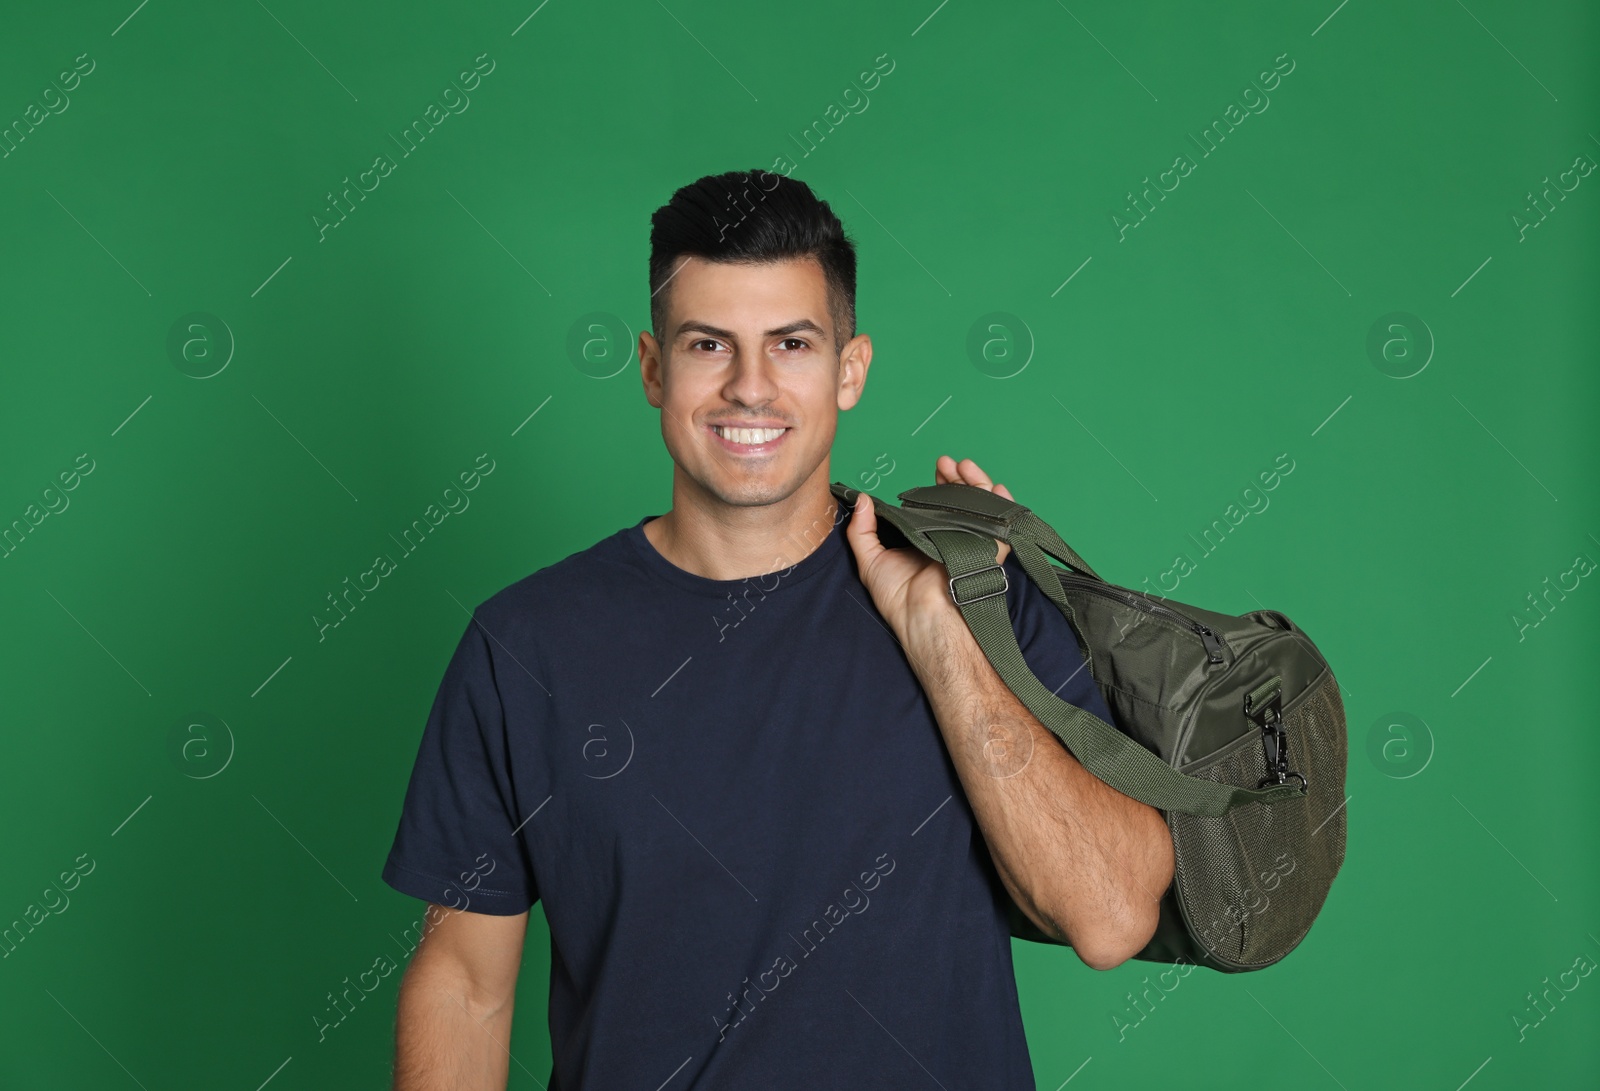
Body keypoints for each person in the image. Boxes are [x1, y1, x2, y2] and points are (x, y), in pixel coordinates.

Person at [380, 168, 1174, 1089]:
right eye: (708, 344)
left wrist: (948, 646)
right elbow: (465, 986)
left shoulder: (972, 597)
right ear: (652, 367)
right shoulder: (524, 645)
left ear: (850, 368)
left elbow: (1112, 914)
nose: (748, 388)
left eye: (790, 343)